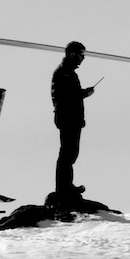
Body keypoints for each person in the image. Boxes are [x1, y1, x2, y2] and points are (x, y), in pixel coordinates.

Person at [51, 41, 95, 199]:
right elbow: (67, 97)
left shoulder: (66, 72)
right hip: (67, 118)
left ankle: (66, 185)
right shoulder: (64, 73)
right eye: (81, 55)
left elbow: (69, 95)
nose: (82, 59)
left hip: (70, 118)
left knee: (70, 153)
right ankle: (63, 187)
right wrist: (84, 94)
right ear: (72, 54)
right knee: (67, 154)